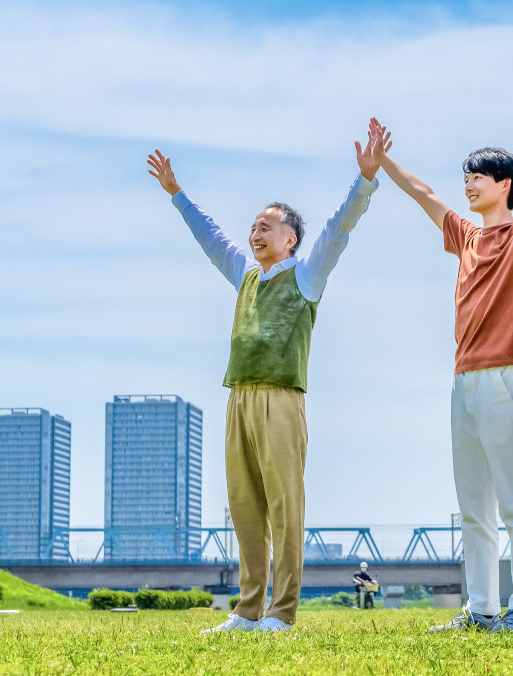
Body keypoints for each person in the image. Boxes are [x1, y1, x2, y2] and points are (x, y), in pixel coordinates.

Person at [147, 120, 388, 634]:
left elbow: (338, 229)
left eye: (266, 226)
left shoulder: (306, 272)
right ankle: (248, 609)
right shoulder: (244, 274)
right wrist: (177, 195)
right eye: (253, 226)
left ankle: (281, 612)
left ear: (290, 238)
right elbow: (211, 237)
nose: (254, 232)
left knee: (284, 504)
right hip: (239, 396)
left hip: (282, 400)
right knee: (245, 506)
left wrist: (364, 183)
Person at [373, 66, 513, 635]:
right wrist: (384, 162)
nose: (468, 186)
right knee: (472, 506)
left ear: (502, 185)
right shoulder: (465, 236)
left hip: (508, 378)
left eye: (478, 178)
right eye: (467, 179)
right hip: (463, 378)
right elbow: (425, 195)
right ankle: (482, 607)